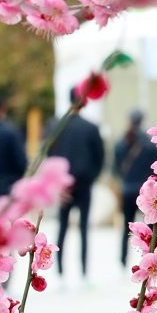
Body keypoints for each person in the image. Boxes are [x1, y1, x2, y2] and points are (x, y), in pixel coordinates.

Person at [47, 87, 105, 280]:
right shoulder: (91, 127)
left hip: (63, 183)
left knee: (62, 227)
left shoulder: (56, 126)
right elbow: (100, 157)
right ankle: (83, 271)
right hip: (84, 182)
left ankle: (60, 271)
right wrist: (91, 176)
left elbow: (48, 154)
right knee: (83, 228)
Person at [113, 109, 156, 268]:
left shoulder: (121, 142)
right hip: (146, 192)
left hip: (127, 191)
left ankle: (123, 259)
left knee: (126, 227)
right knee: (150, 230)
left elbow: (116, 168)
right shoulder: (149, 143)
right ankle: (150, 259)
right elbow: (156, 167)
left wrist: (125, 180)